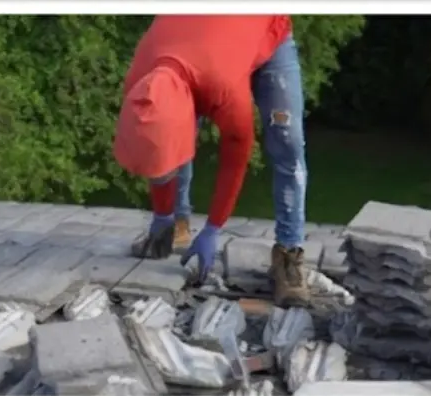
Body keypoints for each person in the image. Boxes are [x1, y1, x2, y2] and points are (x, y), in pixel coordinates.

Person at [113, 16, 311, 308]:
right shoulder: (139, 82)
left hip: (266, 32)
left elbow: (236, 155)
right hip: (203, 41)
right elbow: (157, 150)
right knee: (171, 135)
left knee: (287, 142)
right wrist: (162, 215)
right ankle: (174, 227)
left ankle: (288, 254)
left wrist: (213, 228)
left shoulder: (224, 88)